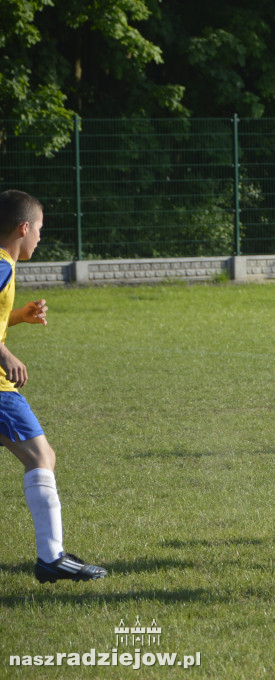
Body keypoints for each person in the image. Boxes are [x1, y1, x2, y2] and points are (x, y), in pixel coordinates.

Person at [0, 189, 106, 583]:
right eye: (39, 229)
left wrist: (16, 318)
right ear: (23, 228)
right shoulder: (2, 266)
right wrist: (5, 354)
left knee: (42, 456)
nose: (41, 237)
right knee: (41, 457)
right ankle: (51, 558)